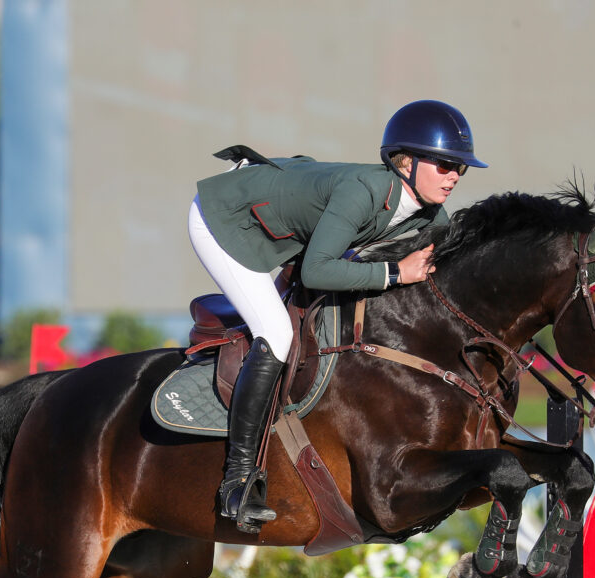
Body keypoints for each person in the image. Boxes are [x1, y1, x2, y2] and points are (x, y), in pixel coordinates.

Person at [187, 99, 487, 533]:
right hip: (225, 219)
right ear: (405, 161)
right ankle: (237, 481)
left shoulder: (429, 213)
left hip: (277, 219)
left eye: (459, 167)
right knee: (275, 330)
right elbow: (317, 269)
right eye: (444, 164)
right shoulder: (362, 192)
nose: (455, 175)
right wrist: (394, 273)